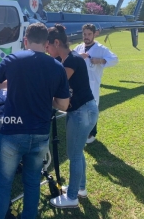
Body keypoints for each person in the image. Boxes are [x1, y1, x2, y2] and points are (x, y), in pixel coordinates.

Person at [0, 22, 70, 219]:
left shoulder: (14, 59)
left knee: (3, 183)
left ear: (25, 40)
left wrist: (10, 83)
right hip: (40, 133)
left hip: (12, 133)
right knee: (31, 182)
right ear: (46, 43)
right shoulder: (57, 66)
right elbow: (64, 105)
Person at [46, 24, 99, 209]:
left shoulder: (70, 62)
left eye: (47, 46)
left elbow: (54, 87)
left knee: (74, 154)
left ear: (57, 42)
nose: (46, 50)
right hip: (85, 110)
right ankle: (80, 188)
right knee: (77, 153)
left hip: (81, 112)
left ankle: (72, 197)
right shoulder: (70, 59)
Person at [73, 23, 118, 143]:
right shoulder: (79, 48)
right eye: (84, 34)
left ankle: (91, 132)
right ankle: (81, 130)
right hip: (79, 84)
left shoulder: (100, 49)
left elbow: (115, 59)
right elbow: (70, 58)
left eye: (89, 34)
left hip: (93, 83)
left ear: (94, 34)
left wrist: (101, 60)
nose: (86, 37)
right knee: (81, 107)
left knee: (92, 107)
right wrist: (78, 57)